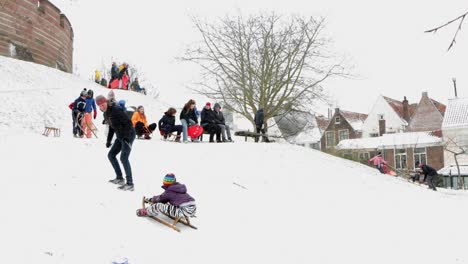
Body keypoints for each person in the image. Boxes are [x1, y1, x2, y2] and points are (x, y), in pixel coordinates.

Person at [96, 95, 136, 191]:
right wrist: (109, 140)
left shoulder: (116, 110)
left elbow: (128, 124)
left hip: (128, 134)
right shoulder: (106, 114)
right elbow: (111, 127)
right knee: (111, 155)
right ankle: (119, 178)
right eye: (100, 106)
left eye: (103, 104)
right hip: (120, 135)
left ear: (106, 102)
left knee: (124, 158)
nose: (102, 107)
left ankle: (130, 184)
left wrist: (126, 138)